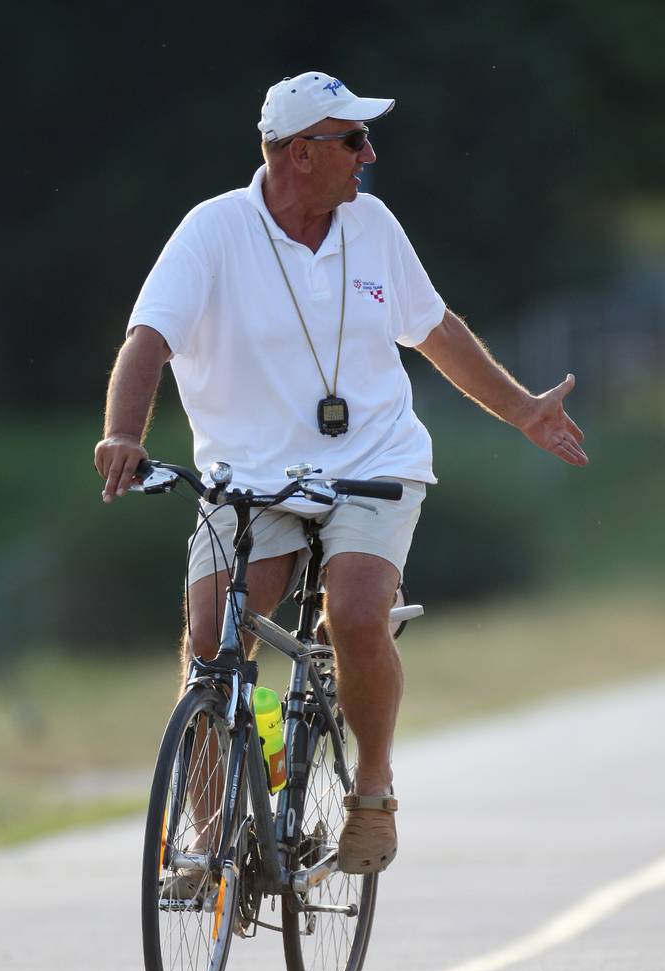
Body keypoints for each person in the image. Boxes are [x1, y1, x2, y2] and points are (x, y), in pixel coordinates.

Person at [93, 71, 587, 876]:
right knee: (212, 636)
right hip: (250, 476)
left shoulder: (373, 225)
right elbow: (147, 337)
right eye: (353, 140)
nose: (369, 153)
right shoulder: (213, 232)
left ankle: (373, 789)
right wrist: (122, 433)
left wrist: (525, 409)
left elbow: (434, 330)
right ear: (298, 154)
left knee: (357, 612)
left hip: (373, 462)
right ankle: (209, 829)